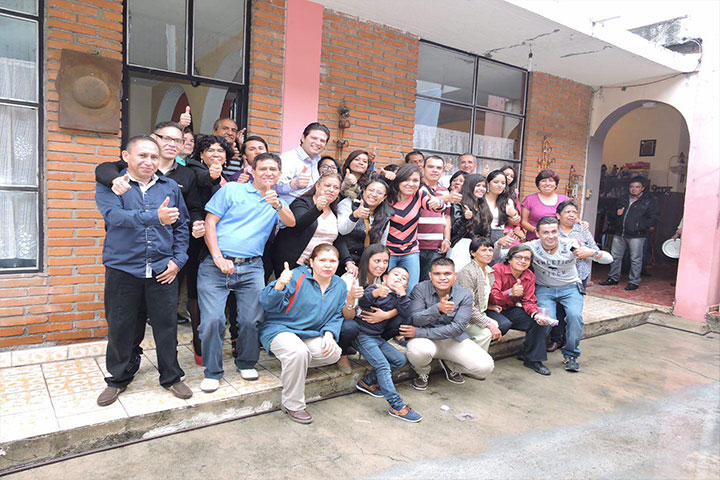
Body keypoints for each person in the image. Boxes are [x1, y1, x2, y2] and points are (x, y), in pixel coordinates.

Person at [95, 136, 192, 406]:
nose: (149, 161)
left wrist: (178, 260)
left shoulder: (169, 186)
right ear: (126, 157)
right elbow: (115, 217)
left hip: (163, 269)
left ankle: (171, 376)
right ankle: (118, 378)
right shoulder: (113, 185)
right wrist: (155, 217)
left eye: (154, 157)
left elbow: (181, 226)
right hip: (123, 268)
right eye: (142, 155)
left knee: (166, 326)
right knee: (121, 326)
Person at [196, 152, 295, 390]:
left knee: (251, 320)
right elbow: (210, 222)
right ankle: (212, 371)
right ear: (252, 171)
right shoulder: (232, 189)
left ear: (279, 174)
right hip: (216, 264)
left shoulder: (277, 201)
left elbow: (291, 222)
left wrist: (276, 204)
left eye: (273, 169)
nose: (268, 173)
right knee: (212, 321)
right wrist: (218, 257)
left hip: (251, 267)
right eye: (263, 169)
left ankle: (246, 362)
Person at [258, 244, 346, 424]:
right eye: (322, 260)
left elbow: (336, 315)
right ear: (312, 262)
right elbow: (266, 303)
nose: (327, 265)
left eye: (332, 261)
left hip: (309, 333)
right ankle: (293, 405)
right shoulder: (295, 276)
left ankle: (293, 362)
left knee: (333, 353)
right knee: (297, 352)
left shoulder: (339, 285)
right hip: (279, 328)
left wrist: (329, 334)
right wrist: (280, 284)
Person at [528, 216, 612, 372]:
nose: (551, 236)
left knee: (575, 317)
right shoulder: (531, 247)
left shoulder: (571, 245)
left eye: (554, 231)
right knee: (545, 320)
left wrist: (592, 253)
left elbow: (608, 259)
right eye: (545, 232)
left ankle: (571, 355)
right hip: (545, 288)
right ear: (538, 234)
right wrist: (499, 244)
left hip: (570, 288)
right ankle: (529, 350)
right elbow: (503, 254)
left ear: (558, 232)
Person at [402, 257, 495, 390]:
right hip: (425, 340)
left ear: (455, 276)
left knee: (485, 367)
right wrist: (437, 309)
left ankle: (451, 365)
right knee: (418, 351)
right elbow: (416, 319)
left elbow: (458, 328)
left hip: (451, 339)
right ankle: (422, 372)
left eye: (447, 274)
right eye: (437, 274)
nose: (442, 278)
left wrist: (420, 332)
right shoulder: (420, 288)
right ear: (430, 276)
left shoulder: (464, 294)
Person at [184, 134, 236, 363]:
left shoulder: (228, 179)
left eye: (220, 151)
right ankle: (200, 344)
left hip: (225, 242)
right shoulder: (196, 171)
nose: (216, 154)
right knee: (196, 292)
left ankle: (214, 340)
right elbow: (200, 192)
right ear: (202, 154)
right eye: (210, 150)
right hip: (199, 241)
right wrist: (211, 176)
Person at [354, 267, 421, 422]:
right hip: (362, 335)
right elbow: (362, 301)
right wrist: (376, 293)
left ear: (405, 286)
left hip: (377, 337)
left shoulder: (399, 298)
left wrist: (402, 294)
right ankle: (396, 405)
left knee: (400, 360)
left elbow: (407, 313)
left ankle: (367, 382)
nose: (399, 278)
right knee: (383, 366)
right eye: (396, 274)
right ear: (385, 278)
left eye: (403, 278)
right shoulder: (375, 288)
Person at [546, 200, 605, 351]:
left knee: (573, 311)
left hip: (579, 275)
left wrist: (588, 252)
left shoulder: (582, 229)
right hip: (556, 275)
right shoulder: (552, 230)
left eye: (574, 212)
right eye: (567, 212)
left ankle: (568, 341)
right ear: (558, 215)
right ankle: (556, 339)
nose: (571, 215)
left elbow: (595, 250)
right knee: (557, 308)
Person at [271, 173, 355, 277]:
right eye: (327, 186)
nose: (331, 190)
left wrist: (348, 261)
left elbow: (337, 238)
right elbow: (298, 225)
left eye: (336, 187)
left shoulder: (334, 210)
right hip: (293, 265)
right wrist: (317, 208)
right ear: (317, 186)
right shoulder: (302, 203)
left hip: (319, 268)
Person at [488, 244, 552, 375]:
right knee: (504, 324)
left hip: (509, 309)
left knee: (538, 321)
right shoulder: (497, 270)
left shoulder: (529, 275)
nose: (523, 261)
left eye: (527, 259)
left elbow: (529, 300)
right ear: (509, 259)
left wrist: (535, 314)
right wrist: (510, 292)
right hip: (491, 308)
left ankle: (532, 359)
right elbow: (493, 297)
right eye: (518, 257)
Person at [386, 164, 445, 291]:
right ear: (398, 180)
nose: (411, 184)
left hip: (410, 251)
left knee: (411, 290)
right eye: (406, 180)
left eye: (415, 180)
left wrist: (438, 202)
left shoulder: (419, 195)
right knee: (387, 290)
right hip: (387, 252)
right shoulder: (387, 197)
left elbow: (436, 205)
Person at [600, 176, 659, 291]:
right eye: (632, 186)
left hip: (637, 235)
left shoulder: (648, 201)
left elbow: (654, 218)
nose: (634, 189)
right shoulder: (623, 199)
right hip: (620, 233)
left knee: (636, 259)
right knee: (615, 257)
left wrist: (639, 226)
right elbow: (611, 214)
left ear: (642, 188)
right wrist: (616, 213)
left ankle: (634, 281)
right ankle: (613, 278)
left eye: (637, 187)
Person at [455, 237, 502, 352]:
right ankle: (470, 360)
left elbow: (481, 295)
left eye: (490, 250)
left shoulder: (489, 272)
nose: (488, 254)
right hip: (463, 317)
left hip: (477, 313)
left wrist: (489, 306)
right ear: (473, 253)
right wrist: (488, 324)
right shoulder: (468, 272)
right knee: (486, 333)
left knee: (497, 324)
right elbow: (467, 306)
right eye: (483, 250)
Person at [418, 155, 457, 281]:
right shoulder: (416, 187)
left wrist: (447, 239)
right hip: (414, 245)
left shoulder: (445, 190)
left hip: (436, 246)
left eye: (439, 168)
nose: (435, 170)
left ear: (443, 171)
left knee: (429, 284)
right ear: (423, 168)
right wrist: (445, 198)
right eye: (431, 167)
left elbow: (447, 216)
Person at [337, 178, 392, 265]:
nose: (374, 194)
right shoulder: (348, 204)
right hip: (344, 258)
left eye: (379, 193)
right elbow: (341, 230)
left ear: (384, 197)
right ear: (364, 191)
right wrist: (355, 216)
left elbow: (382, 244)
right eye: (371, 190)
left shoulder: (385, 215)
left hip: (368, 262)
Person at [277, 122, 330, 204]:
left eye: (322, 141)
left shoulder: (317, 161)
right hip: (288, 208)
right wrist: (293, 184)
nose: (318, 143)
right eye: (314, 138)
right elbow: (275, 186)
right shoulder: (289, 158)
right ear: (303, 138)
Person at [448, 174, 491, 271]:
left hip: (479, 247)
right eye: (478, 185)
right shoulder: (459, 204)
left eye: (484, 186)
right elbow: (453, 232)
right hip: (461, 247)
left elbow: (487, 231)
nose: (481, 189)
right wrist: (464, 218)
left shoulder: (483, 206)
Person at [520, 169, 570, 241]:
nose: (547, 183)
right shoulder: (529, 200)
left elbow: (572, 217)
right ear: (538, 184)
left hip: (559, 240)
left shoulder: (565, 199)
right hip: (535, 240)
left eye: (551, 181)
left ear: (556, 184)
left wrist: (582, 223)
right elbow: (524, 222)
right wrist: (537, 231)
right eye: (543, 181)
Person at [484, 170, 520, 245]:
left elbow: (514, 215)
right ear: (488, 183)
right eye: (496, 182)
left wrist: (515, 217)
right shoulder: (481, 199)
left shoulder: (507, 201)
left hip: (499, 236)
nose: (500, 185)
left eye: (503, 183)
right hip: (482, 236)